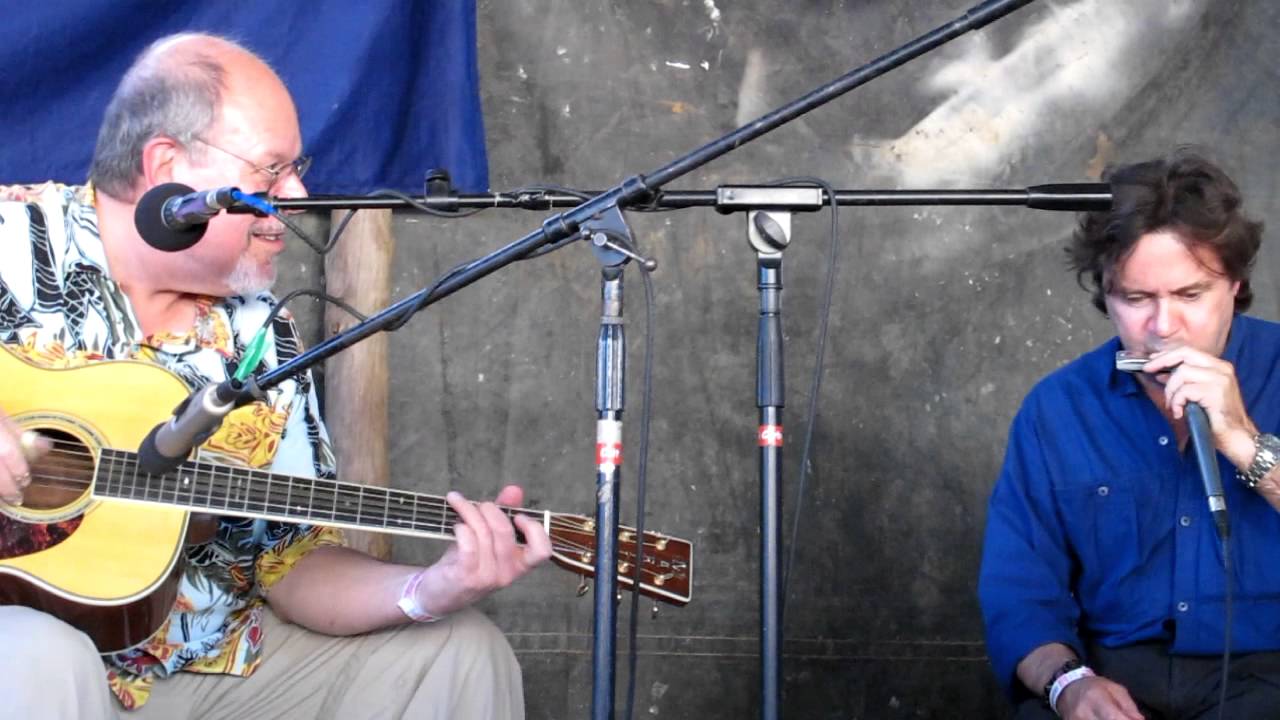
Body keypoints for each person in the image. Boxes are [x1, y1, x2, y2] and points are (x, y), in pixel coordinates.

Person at [0, 33, 551, 719]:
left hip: (206, 667)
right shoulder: (14, 239)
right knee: (35, 653)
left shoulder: (260, 334)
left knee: (460, 650)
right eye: (271, 172)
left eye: (299, 169)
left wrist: (429, 588)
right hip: (31, 660)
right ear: (168, 165)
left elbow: (289, 563)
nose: (296, 197)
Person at [978, 150, 1280, 720]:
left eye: (1191, 295)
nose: (1163, 326)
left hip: (1265, 674)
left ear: (1235, 285)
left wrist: (1243, 439)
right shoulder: (1057, 409)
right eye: (1137, 299)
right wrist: (1067, 684)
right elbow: (1018, 591)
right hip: (1116, 674)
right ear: (1105, 294)